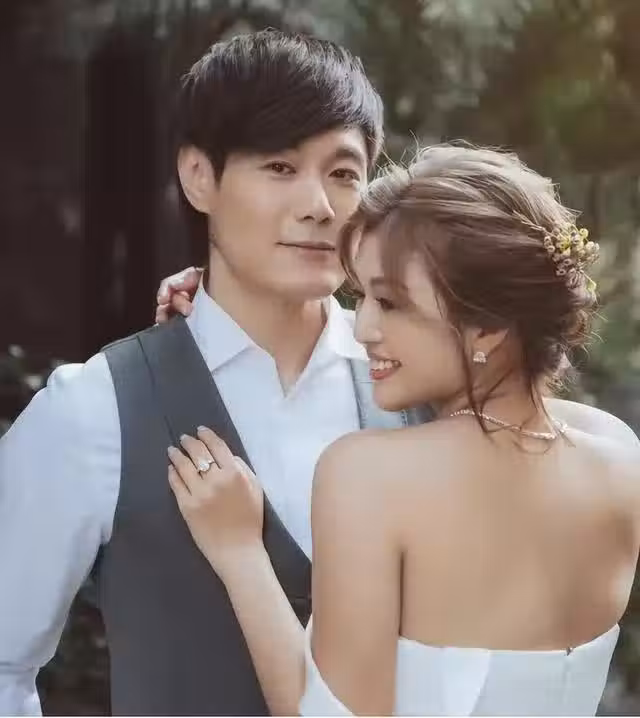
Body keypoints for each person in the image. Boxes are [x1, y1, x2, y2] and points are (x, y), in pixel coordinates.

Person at [0, 29, 424, 716]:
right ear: (199, 176)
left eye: (344, 174)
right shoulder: (96, 408)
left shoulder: (417, 392)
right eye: (280, 166)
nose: (319, 205)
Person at [161, 144, 640, 716]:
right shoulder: (617, 452)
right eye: (360, 297)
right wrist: (224, 306)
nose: (363, 327)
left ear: (488, 325)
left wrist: (240, 551)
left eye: (389, 302)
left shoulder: (370, 476)